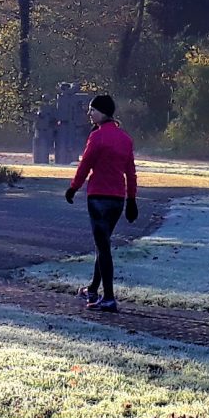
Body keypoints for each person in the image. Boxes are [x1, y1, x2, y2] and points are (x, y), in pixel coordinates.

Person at [63, 93, 141, 311]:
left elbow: (85, 165)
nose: (89, 113)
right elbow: (131, 173)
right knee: (103, 244)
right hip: (117, 199)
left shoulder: (97, 137)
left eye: (93, 110)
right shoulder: (125, 139)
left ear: (103, 112)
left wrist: (73, 188)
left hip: (98, 197)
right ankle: (93, 289)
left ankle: (108, 297)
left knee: (103, 247)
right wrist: (132, 200)